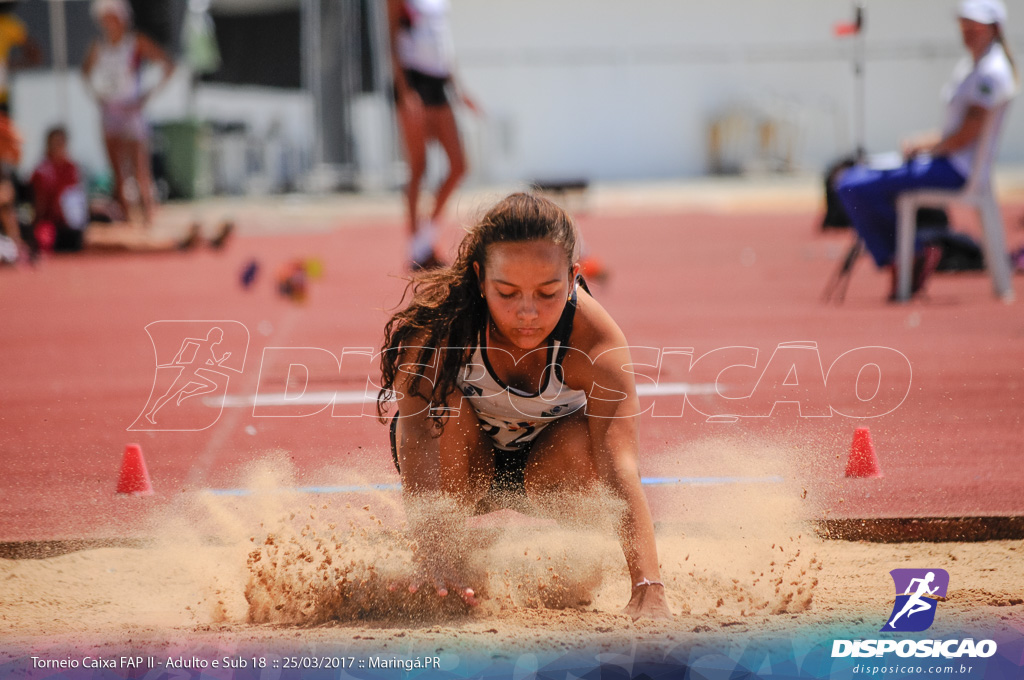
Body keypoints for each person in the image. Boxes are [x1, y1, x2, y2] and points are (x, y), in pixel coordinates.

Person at [376, 192, 672, 620]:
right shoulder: (436, 329)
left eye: (548, 292)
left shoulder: (597, 342)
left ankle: (581, 560)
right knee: (444, 410)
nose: (527, 312)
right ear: (480, 278)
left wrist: (648, 585)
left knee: (586, 442)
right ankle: (450, 557)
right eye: (507, 292)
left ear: (573, 278)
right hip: (464, 468)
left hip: (551, 471)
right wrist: (432, 553)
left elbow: (620, 464)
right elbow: (418, 434)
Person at [837, 0, 1017, 300]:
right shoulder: (974, 65)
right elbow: (956, 132)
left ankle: (906, 258)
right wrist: (923, 145)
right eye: (964, 22)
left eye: (975, 23)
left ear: (994, 28)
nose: (967, 29)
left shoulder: (991, 71)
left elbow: (966, 135)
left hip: (954, 170)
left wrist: (927, 148)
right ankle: (905, 256)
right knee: (859, 179)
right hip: (947, 162)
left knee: (853, 184)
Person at [387, 0, 478, 271]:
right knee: (418, 166)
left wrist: (458, 88)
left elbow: (442, 41)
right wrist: (405, 91)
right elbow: (391, 38)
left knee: (459, 165)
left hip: (440, 83)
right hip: (414, 80)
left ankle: (425, 237)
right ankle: (416, 247)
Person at [83, 0, 174, 226]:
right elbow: (85, 73)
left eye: (112, 17)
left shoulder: (135, 43)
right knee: (117, 172)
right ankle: (127, 219)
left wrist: (146, 95)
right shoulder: (99, 45)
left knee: (140, 169)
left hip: (131, 110)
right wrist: (98, 96)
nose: (108, 23)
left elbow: (168, 64)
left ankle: (148, 217)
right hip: (111, 111)